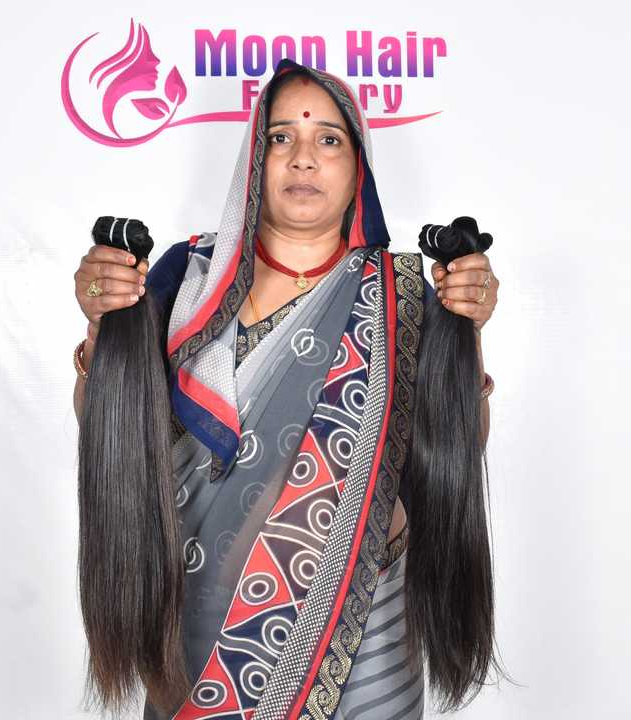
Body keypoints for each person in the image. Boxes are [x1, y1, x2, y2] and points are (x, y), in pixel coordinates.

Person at [73, 59, 500, 720]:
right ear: (255, 157)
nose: (304, 157)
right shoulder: (186, 279)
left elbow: (459, 444)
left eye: (328, 139)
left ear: (358, 166)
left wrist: (466, 332)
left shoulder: (407, 296)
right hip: (192, 634)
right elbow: (105, 425)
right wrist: (104, 326)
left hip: (360, 636)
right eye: (281, 138)